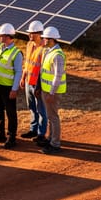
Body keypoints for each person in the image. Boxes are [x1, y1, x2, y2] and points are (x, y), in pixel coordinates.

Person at [36, 26, 66, 154]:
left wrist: (51, 93)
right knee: (50, 116)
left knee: (53, 117)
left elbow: (57, 76)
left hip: (52, 92)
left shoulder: (57, 55)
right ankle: (50, 139)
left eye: (45, 38)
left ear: (52, 39)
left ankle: (55, 144)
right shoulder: (48, 51)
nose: (43, 39)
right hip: (46, 90)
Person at [20, 20, 47, 142]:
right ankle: (33, 129)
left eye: (32, 33)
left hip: (37, 84)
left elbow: (43, 70)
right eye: (29, 33)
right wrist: (23, 77)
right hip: (28, 81)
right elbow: (27, 62)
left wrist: (39, 87)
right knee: (31, 107)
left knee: (41, 109)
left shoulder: (44, 49)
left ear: (39, 34)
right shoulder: (29, 44)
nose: (30, 35)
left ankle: (41, 134)